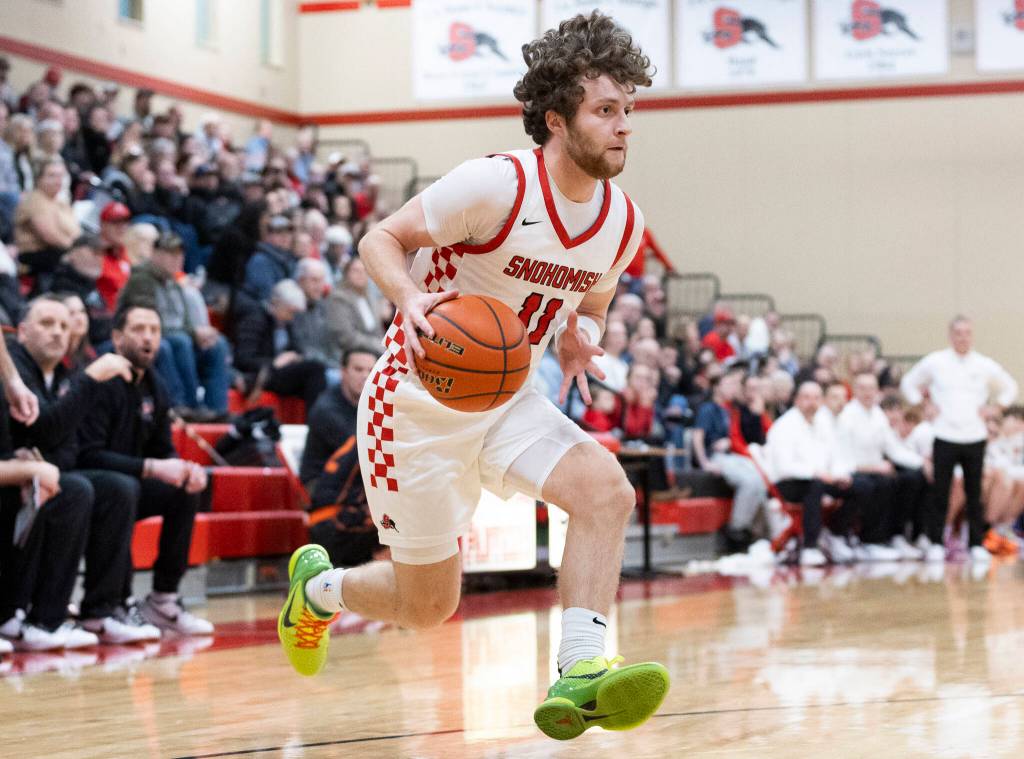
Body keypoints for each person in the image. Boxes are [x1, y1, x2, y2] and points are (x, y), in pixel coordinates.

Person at [277, 12, 669, 741]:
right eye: (606, 110)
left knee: (606, 490)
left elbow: (596, 291)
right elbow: (380, 237)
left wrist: (581, 339)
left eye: (629, 111)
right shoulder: (493, 185)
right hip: (417, 405)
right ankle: (320, 588)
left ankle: (580, 671)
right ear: (556, 119)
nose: (624, 127)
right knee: (429, 604)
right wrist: (409, 296)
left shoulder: (621, 221)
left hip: (507, 394)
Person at [8, 295, 159, 643]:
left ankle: (98, 611)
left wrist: (49, 466)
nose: (59, 332)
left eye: (64, 325)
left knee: (116, 488)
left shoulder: (63, 373)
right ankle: (37, 616)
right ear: (22, 331)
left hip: (45, 474)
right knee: (77, 490)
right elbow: (42, 429)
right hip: (13, 476)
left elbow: (69, 442)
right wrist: (90, 380)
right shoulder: (17, 370)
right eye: (48, 324)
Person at [76, 303, 214, 635]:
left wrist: (183, 469)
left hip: (130, 482)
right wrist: (152, 467)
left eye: (154, 330)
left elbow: (162, 450)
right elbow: (87, 455)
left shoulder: (156, 385)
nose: (148, 337)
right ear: (117, 337)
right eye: (139, 329)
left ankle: (163, 601)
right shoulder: (101, 380)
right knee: (124, 488)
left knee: (186, 488)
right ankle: (108, 606)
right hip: (92, 482)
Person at [901, 316, 1018, 564]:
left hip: (974, 436)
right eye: (958, 333)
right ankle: (935, 542)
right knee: (940, 491)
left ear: (972, 336)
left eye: (967, 333)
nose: (962, 337)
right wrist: (924, 404)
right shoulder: (936, 362)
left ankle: (975, 542)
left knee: (974, 492)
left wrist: (996, 407)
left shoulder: (984, 365)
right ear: (950, 335)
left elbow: (1010, 387)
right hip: (945, 435)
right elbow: (908, 383)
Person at [120, 231, 229, 418]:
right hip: (147, 338)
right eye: (170, 254)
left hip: (177, 338)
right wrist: (193, 334)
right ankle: (187, 405)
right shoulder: (141, 280)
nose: (176, 260)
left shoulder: (174, 283)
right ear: (155, 254)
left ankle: (217, 409)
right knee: (180, 342)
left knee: (217, 345)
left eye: (179, 255)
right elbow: (146, 321)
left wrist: (198, 334)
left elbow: (185, 320)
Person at [766, 382, 857, 566]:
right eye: (807, 397)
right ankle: (810, 546)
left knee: (859, 486)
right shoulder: (784, 426)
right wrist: (818, 474)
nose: (812, 402)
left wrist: (840, 474)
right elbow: (784, 467)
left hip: (820, 478)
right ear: (797, 400)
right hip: (787, 483)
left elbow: (835, 456)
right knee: (814, 487)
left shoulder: (823, 423)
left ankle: (837, 534)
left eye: (816, 398)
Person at [692, 370, 768, 552]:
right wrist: (704, 463)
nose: (733, 388)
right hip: (717, 456)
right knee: (750, 482)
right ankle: (736, 529)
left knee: (761, 480)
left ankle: (752, 530)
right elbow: (697, 436)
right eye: (729, 384)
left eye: (735, 385)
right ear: (717, 387)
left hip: (732, 455)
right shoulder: (708, 408)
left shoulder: (731, 409)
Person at [234, 279, 327, 410]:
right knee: (315, 369)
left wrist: (295, 357)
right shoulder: (255, 320)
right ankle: (316, 423)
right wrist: (274, 362)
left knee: (317, 372)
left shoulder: (286, 323)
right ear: (277, 304)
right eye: (291, 312)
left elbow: (297, 349)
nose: (292, 317)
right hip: (263, 374)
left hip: (281, 373)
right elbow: (243, 359)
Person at [14, 158, 80, 277]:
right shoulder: (34, 200)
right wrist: (77, 249)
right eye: (52, 176)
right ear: (39, 179)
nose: (58, 180)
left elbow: (75, 231)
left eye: (61, 176)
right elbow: (49, 236)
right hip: (37, 255)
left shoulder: (61, 202)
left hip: (61, 251)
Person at [324, 256, 384, 359]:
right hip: (348, 354)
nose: (361, 274)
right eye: (356, 270)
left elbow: (377, 330)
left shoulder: (369, 297)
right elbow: (347, 337)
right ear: (347, 274)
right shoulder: (338, 298)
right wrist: (377, 346)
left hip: (373, 352)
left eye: (364, 270)